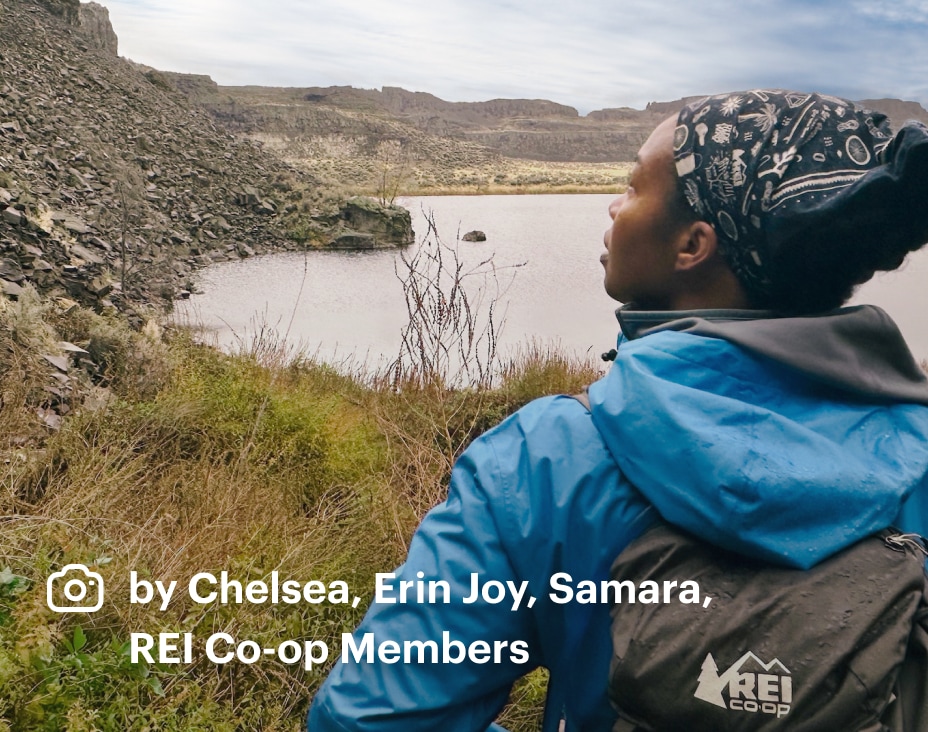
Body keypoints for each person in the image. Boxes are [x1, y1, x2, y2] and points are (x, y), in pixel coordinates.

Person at [308, 90, 928, 731]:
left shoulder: (544, 459)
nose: (613, 205)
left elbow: (370, 720)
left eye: (633, 188)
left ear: (693, 244)